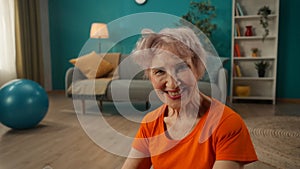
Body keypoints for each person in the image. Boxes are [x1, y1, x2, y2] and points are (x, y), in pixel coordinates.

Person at [122, 27, 257, 169]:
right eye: (159, 72)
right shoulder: (150, 124)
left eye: (181, 68)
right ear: (150, 77)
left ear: (198, 68)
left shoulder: (227, 124)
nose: (173, 83)